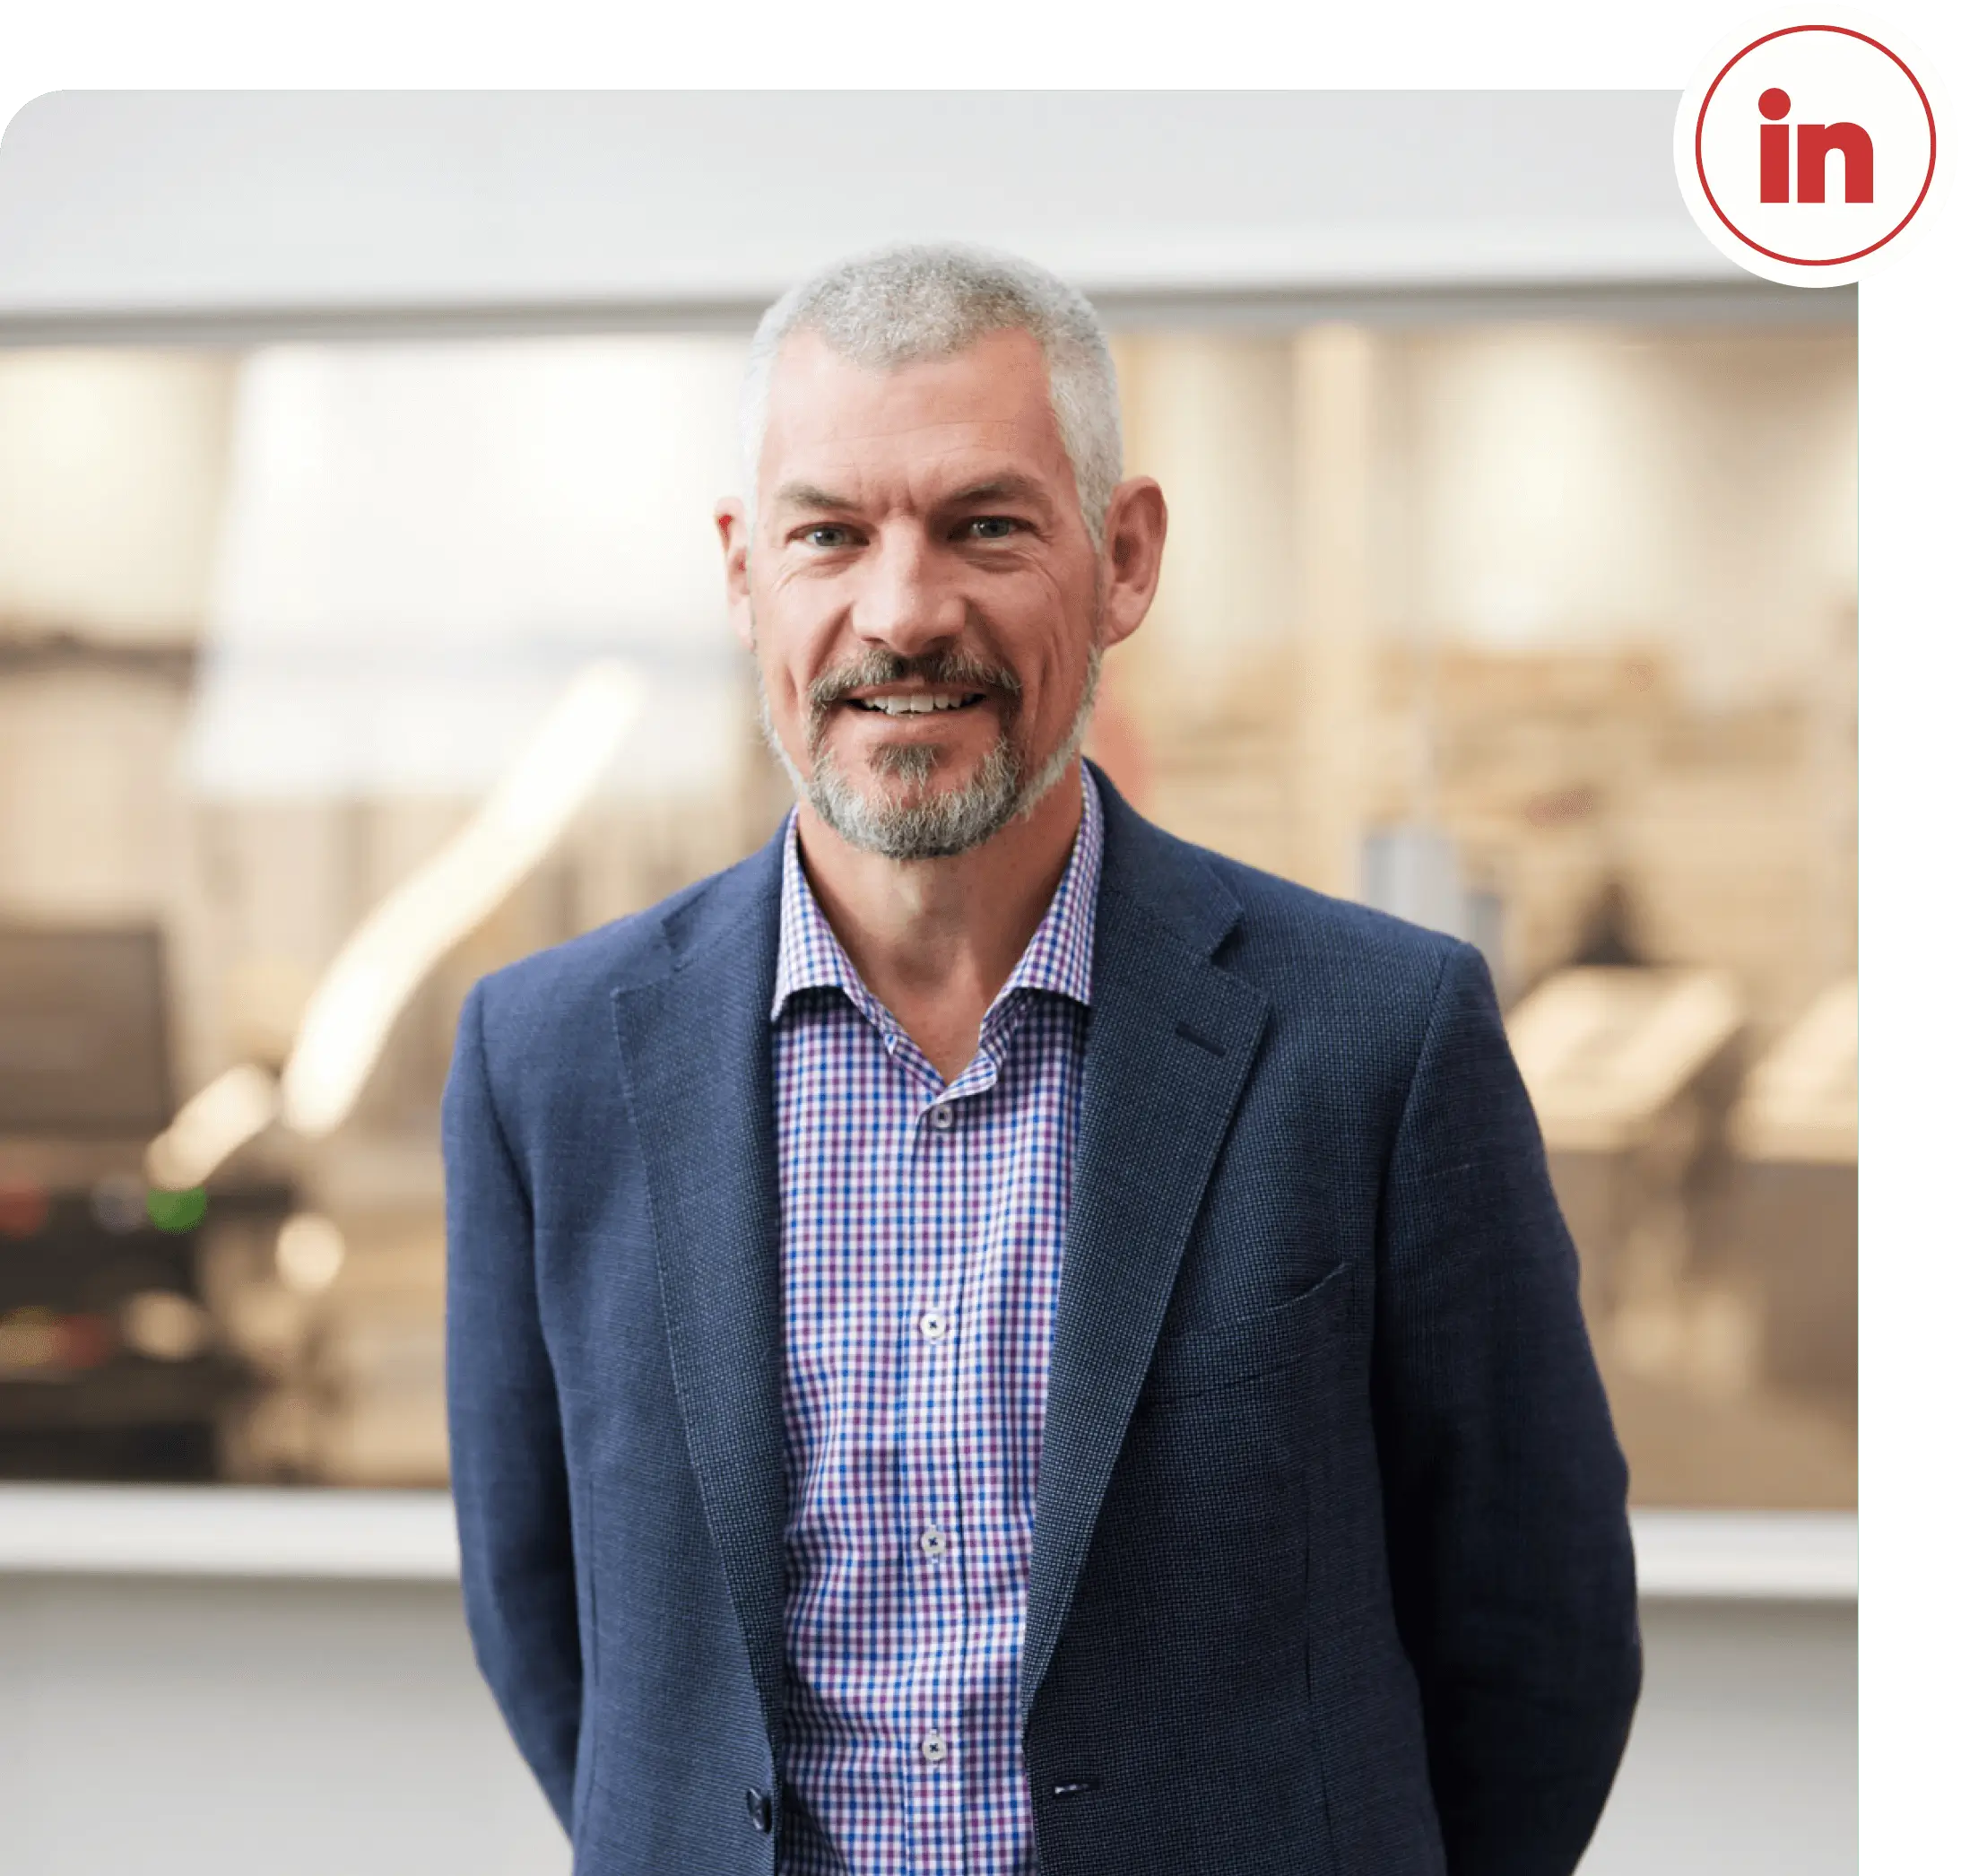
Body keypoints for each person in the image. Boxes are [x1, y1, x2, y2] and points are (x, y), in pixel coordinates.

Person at [444, 244, 1640, 1876]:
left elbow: (1537, 1627)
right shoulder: (550, 1060)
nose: (902, 609)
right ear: (742, 578)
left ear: (1123, 555)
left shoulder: (1376, 1038)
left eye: (984, 524)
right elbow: (547, 1621)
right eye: (827, 534)